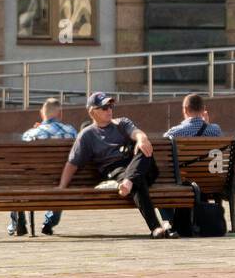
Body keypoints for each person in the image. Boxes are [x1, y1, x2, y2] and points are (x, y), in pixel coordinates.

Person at [60, 93, 172, 238]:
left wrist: (142, 139)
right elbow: (73, 163)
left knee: (144, 149)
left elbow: (137, 133)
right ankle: (156, 228)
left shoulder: (122, 123)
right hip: (116, 169)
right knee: (138, 181)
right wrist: (62, 187)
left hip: (140, 166)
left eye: (111, 106)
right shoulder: (87, 135)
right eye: (104, 107)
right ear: (92, 112)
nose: (109, 110)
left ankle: (129, 181)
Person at [9, 98, 77, 237]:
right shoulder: (71, 132)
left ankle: (18, 220)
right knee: (61, 181)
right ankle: (49, 221)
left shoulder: (30, 134)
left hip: (34, 181)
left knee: (17, 176)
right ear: (60, 114)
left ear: (42, 114)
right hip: (62, 180)